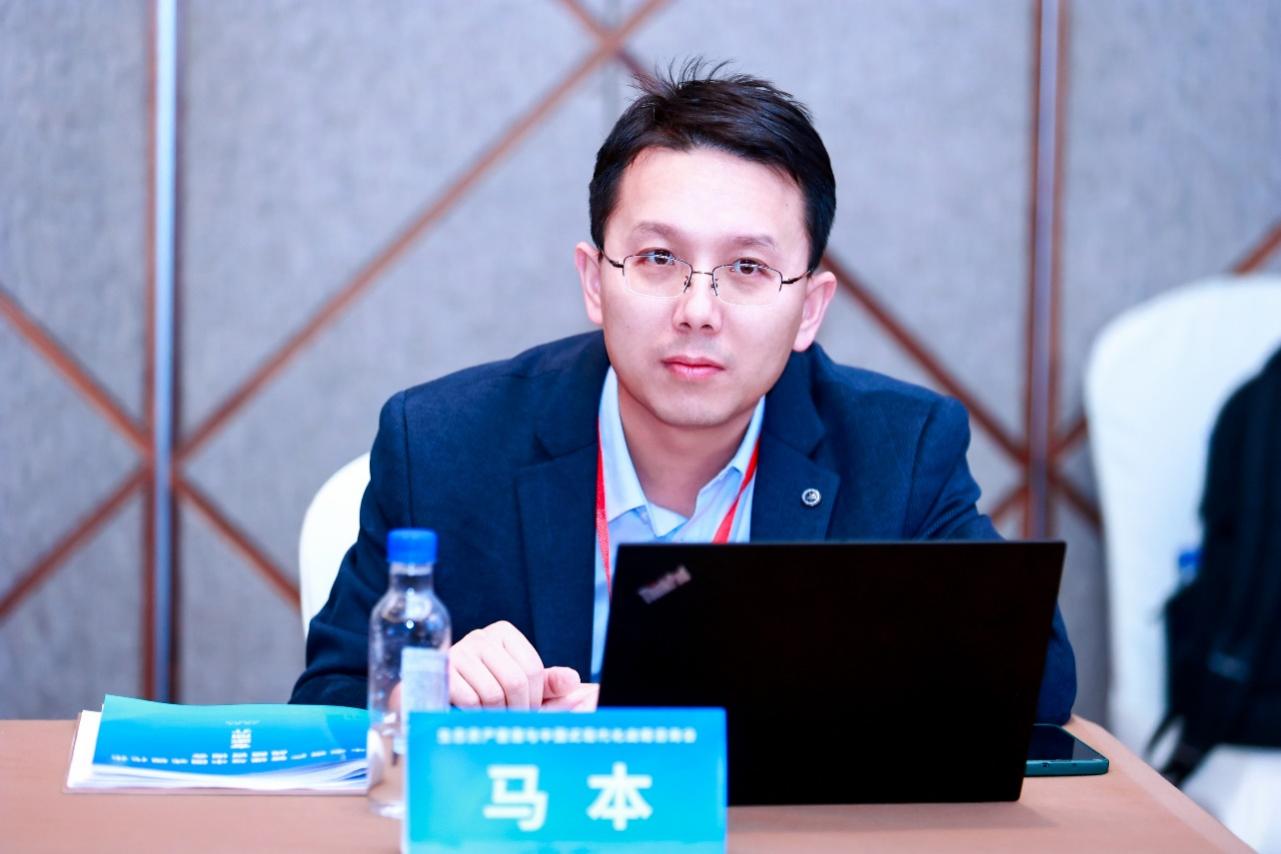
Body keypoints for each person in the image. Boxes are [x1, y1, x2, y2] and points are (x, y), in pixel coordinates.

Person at [291, 61, 1076, 722]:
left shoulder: (897, 451)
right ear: (594, 281)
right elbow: (328, 698)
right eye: (658, 259)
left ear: (809, 308)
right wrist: (426, 691)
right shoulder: (442, 445)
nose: (697, 310)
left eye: (747, 268)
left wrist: (684, 708)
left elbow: (1034, 684)